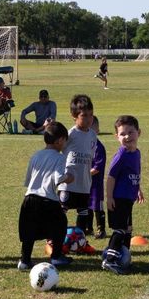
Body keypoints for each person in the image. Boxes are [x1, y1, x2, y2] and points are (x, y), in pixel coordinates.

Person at [18, 121, 74, 271]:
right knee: (60, 225)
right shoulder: (59, 157)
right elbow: (59, 178)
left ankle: (24, 261)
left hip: (29, 198)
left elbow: (29, 179)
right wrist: (69, 177)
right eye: (65, 141)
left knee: (29, 231)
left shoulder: (36, 155)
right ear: (60, 140)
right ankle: (56, 257)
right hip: (48, 198)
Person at [101, 115, 144, 275]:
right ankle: (110, 260)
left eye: (131, 132)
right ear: (117, 137)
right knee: (120, 230)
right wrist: (110, 197)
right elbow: (111, 177)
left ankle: (123, 258)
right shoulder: (121, 155)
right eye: (123, 134)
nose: (127, 137)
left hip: (129, 198)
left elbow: (135, 173)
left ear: (139, 132)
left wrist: (138, 188)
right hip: (118, 198)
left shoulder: (136, 153)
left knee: (128, 229)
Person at [58, 94, 97, 234]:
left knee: (83, 213)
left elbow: (90, 156)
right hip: (68, 183)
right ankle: (56, 238)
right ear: (74, 116)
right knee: (62, 211)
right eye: (84, 115)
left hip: (84, 183)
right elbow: (59, 151)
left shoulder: (93, 135)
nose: (89, 119)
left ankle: (80, 238)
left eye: (91, 115)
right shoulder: (70, 134)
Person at [88, 115, 106, 238]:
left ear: (97, 131)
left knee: (97, 206)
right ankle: (88, 228)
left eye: (92, 130)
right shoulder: (84, 146)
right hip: (85, 184)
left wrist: (83, 174)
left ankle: (101, 229)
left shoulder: (99, 148)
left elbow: (97, 168)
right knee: (86, 206)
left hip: (95, 185)